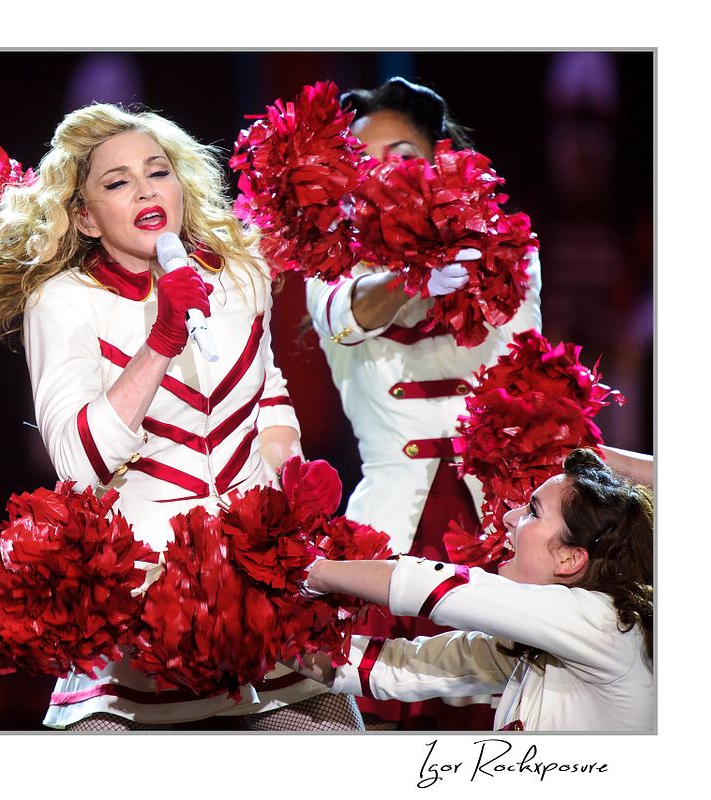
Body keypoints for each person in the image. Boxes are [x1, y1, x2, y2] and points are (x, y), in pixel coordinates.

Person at [0, 103, 361, 731]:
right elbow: (77, 465)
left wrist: (290, 473)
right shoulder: (62, 302)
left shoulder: (241, 272)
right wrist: (164, 337)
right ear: (85, 217)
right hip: (142, 593)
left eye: (157, 172)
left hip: (266, 584)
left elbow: (269, 389)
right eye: (118, 182)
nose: (146, 191)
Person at [303, 77, 543, 729]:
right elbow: (349, 314)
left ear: (441, 158)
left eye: (403, 156)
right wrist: (415, 277)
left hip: (500, 525)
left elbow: (525, 368)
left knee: (503, 723)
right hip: (390, 535)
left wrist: (453, 248)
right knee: (385, 715)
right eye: (365, 163)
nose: (385, 174)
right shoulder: (328, 269)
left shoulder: (506, 249)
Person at [295, 448, 653, 732]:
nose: (509, 518)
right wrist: (278, 631)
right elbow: (400, 669)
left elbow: (440, 587)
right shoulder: (545, 640)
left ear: (570, 558)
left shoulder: (605, 625)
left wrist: (313, 572)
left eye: (532, 512)